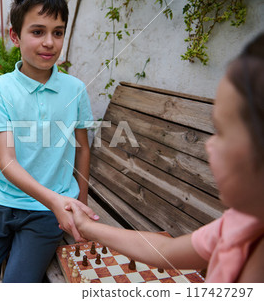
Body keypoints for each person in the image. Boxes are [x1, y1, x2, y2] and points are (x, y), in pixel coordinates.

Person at [69, 32, 264, 283]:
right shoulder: (237, 224)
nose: (209, 145)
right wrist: (88, 228)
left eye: (223, 133)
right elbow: (166, 251)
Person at [0, 0, 98, 283]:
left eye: (58, 32)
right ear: (15, 36)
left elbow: (82, 148)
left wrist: (77, 204)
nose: (49, 42)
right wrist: (56, 201)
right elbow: (6, 161)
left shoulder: (75, 89)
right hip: (1, 202)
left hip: (47, 213)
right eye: (38, 31)